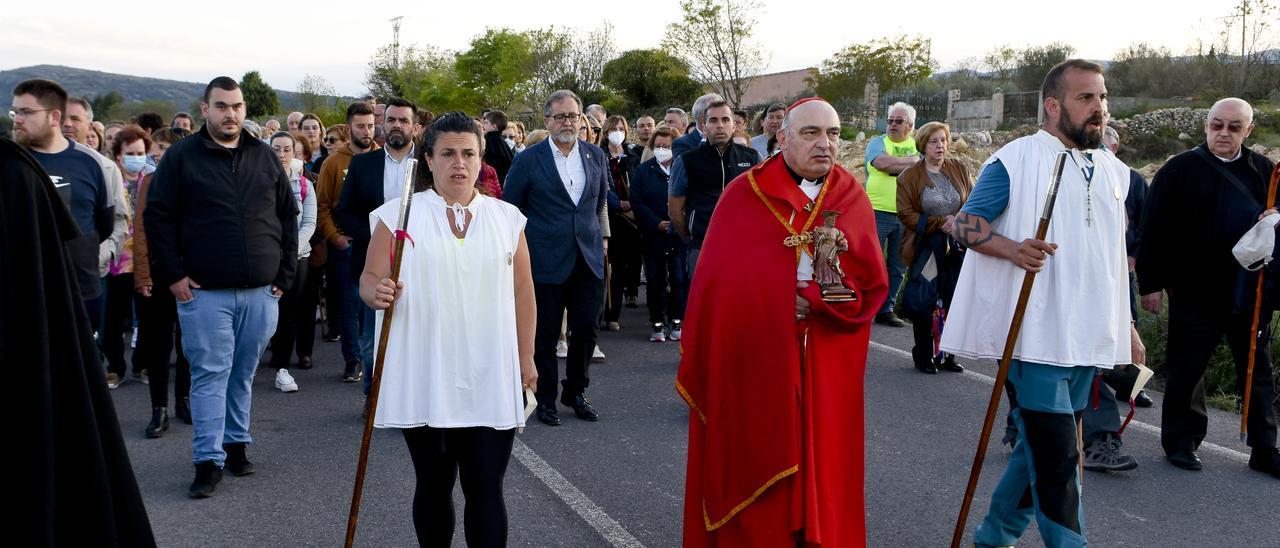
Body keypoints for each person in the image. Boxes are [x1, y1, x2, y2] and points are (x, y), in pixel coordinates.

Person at [941, 59, 1144, 547]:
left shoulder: (1116, 171)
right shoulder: (1017, 159)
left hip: (1085, 336)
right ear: (1053, 106)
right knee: (1059, 458)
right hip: (1033, 337)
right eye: (1086, 98)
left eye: (1102, 97)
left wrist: (1128, 326)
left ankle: (993, 538)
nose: (1099, 109)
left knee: (1038, 452)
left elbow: (1112, 260)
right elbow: (963, 223)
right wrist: (1013, 248)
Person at [678, 97, 888, 547]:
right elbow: (719, 286)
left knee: (826, 459)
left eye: (833, 134)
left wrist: (814, 299)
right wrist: (775, 301)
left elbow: (870, 284)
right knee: (758, 452)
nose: (825, 144)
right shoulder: (743, 195)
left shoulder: (851, 196)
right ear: (783, 137)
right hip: (758, 356)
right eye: (811, 133)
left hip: (827, 357)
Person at [361, 112, 535, 547]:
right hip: (427, 371)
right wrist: (376, 291)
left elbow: (523, 292)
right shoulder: (397, 216)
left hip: (490, 371)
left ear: (481, 161)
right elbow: (368, 277)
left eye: (469, 154)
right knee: (434, 485)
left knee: (486, 488)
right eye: (448, 153)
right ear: (430, 159)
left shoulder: (508, 218)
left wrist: (526, 357)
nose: (459, 163)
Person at [144, 76, 298, 498]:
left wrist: (283, 278)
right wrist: (173, 275)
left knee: (243, 374)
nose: (231, 114)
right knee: (211, 375)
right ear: (205, 109)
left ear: (244, 109)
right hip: (204, 294)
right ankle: (207, 461)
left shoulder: (265, 157)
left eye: (237, 106)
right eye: (222, 106)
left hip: (261, 293)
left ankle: (235, 446)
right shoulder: (180, 158)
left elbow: (288, 216)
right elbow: (157, 218)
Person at [2, 135, 157, 547]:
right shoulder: (20, 167)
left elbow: (110, 224)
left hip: (79, 286)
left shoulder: (18, 173)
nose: (20, 119)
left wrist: (106, 259)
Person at [1138, 97, 1279, 479]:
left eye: (1234, 127)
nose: (1224, 133)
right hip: (1194, 288)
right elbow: (1153, 230)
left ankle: (1265, 448)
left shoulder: (1265, 171)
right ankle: (1181, 443)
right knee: (1188, 366)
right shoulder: (1179, 170)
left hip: (1247, 288)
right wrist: (1150, 285)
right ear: (1206, 125)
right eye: (1217, 125)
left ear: (1249, 130)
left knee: (1257, 367)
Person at [503, 90, 612, 427]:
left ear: (582, 120)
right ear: (547, 121)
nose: (568, 122)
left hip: (588, 258)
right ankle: (545, 397)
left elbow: (597, 204)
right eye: (561, 116)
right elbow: (511, 209)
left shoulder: (596, 156)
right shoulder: (528, 160)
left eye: (574, 116)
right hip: (544, 260)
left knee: (587, 330)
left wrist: (601, 241)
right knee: (545, 335)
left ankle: (575, 391)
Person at [11, 80, 116, 340]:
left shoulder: (91, 163)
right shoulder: (8, 161)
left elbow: (103, 224)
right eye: (15, 112)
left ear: (54, 117)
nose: (17, 119)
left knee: (77, 372)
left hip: (79, 290)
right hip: (20, 293)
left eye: (26, 112)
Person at [335, 97, 418, 402]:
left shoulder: (430, 164)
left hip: (420, 260)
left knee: (415, 336)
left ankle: (410, 399)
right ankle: (374, 399)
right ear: (384, 124)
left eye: (404, 120)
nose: (397, 125)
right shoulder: (362, 164)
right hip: (374, 262)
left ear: (415, 127)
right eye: (392, 119)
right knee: (372, 337)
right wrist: (378, 238)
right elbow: (344, 212)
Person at [1075, 126, 1147, 472]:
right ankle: (1023, 426)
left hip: (1104, 293)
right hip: (1055, 295)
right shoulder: (1053, 173)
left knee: (1096, 367)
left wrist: (1128, 326)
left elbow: (1119, 249)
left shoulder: (1123, 181)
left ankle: (1101, 440)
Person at [895, 121, 972, 374]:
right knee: (925, 301)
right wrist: (940, 222)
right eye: (934, 141)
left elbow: (973, 200)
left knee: (953, 299)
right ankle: (924, 354)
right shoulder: (910, 176)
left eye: (943, 140)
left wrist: (957, 220)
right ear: (923, 145)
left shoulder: (959, 168)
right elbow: (905, 213)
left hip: (957, 245)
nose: (941, 146)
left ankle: (948, 355)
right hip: (928, 246)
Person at [133, 126, 194, 437]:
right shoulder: (151, 182)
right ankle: (160, 409)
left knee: (188, 345)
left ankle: (184, 400)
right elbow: (140, 231)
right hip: (157, 275)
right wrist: (142, 273)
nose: (156, 152)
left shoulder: (196, 182)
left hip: (192, 276)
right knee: (158, 346)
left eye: (164, 147)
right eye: (155, 146)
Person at [317, 103, 378, 382]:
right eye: (360, 126)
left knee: (376, 306)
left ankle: (376, 362)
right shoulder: (334, 163)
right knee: (350, 304)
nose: (366, 131)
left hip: (379, 244)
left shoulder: (383, 158)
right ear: (348, 128)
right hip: (347, 245)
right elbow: (323, 206)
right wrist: (335, 238)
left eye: (370, 125)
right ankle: (353, 359)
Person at [668, 100, 759, 277]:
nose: (720, 125)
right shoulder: (687, 160)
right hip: (702, 246)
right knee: (703, 302)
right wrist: (691, 239)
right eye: (713, 120)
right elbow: (675, 209)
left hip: (744, 245)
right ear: (703, 125)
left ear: (734, 125)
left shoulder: (752, 157)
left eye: (725, 120)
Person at [266, 132, 317, 392]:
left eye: (287, 149)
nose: (282, 154)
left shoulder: (306, 185)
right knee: (263, 314)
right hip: (265, 258)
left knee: (288, 314)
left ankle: (282, 369)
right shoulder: (260, 182)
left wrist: (290, 249)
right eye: (276, 149)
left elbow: (309, 222)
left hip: (297, 259)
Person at [865, 102, 920, 328]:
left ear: (910, 125)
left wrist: (905, 164)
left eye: (899, 121)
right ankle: (865, 306)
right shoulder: (878, 142)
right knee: (871, 262)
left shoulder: (917, 145)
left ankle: (886, 309)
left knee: (899, 265)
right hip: (876, 212)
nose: (893, 125)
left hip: (906, 214)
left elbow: (925, 170)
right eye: (890, 120)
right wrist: (913, 163)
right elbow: (883, 164)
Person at [102, 126, 149, 389]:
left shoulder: (152, 179)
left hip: (144, 260)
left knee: (147, 317)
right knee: (113, 319)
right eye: (130, 153)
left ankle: (142, 365)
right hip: (116, 260)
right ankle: (114, 368)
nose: (136, 157)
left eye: (140, 152)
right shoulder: (108, 179)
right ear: (119, 155)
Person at [630, 126, 684, 342]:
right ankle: (657, 323)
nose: (663, 149)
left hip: (679, 233)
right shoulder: (644, 171)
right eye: (659, 146)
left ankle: (677, 320)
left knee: (680, 278)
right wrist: (655, 223)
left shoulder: (682, 168)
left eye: (668, 146)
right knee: (655, 279)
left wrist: (679, 220)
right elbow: (637, 201)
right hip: (653, 234)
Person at [600, 115, 643, 328]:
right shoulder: (599, 155)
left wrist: (631, 202)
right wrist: (617, 203)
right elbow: (603, 186)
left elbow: (639, 183)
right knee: (606, 268)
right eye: (613, 128)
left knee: (620, 268)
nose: (617, 132)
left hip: (630, 218)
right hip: (609, 214)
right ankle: (602, 311)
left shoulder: (633, 156)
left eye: (621, 128)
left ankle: (613, 315)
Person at [672, 93, 722, 158]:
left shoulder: (731, 140)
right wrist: (705, 140)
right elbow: (691, 166)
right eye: (715, 117)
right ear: (702, 120)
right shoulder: (681, 144)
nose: (721, 123)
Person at [482, 109, 514, 185]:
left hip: (494, 183)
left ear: (493, 126)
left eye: (486, 123)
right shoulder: (502, 143)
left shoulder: (490, 142)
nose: (483, 125)